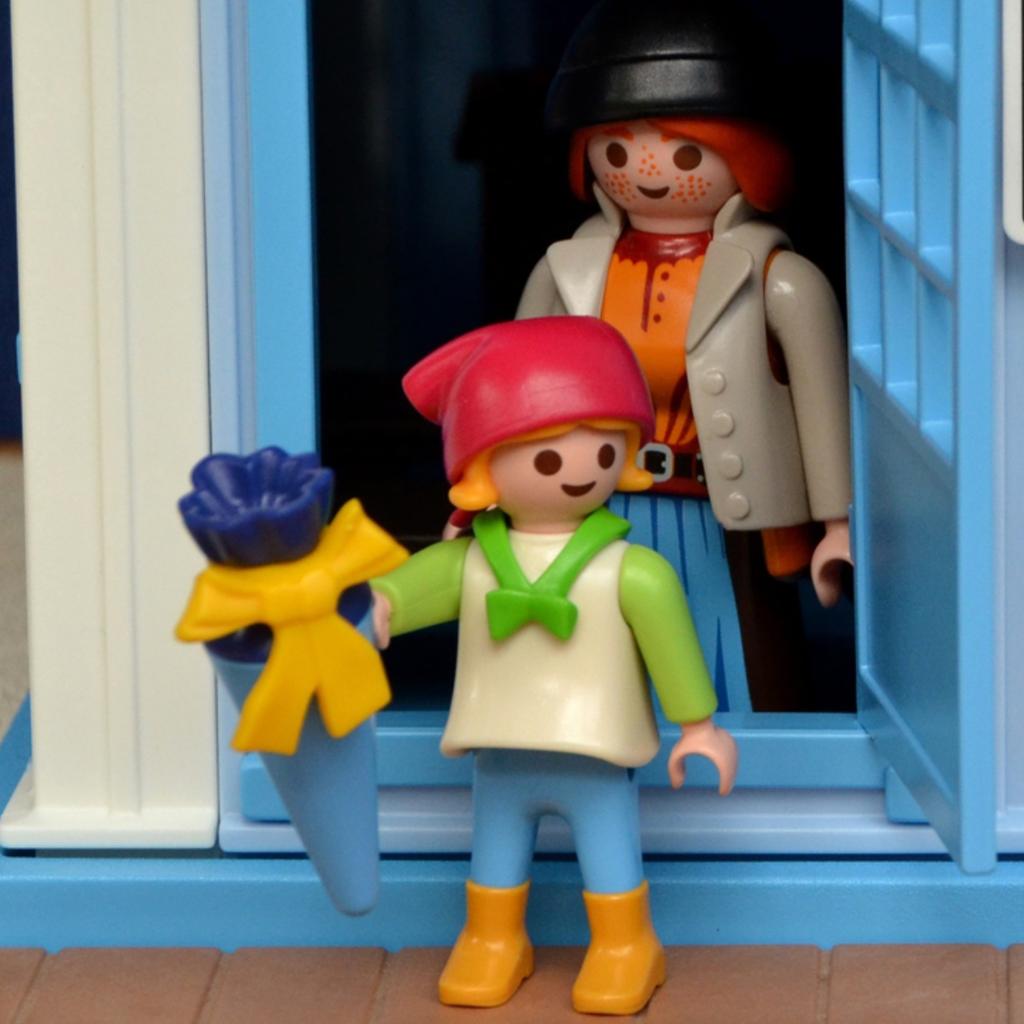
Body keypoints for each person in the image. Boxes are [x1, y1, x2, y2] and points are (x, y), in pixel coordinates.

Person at [371, 316, 737, 1015]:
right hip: (501, 747)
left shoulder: (633, 571)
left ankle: (627, 945)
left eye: (603, 452)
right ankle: (492, 938)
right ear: (482, 469)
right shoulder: (470, 562)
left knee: (608, 849)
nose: (579, 471)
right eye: (546, 459)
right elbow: (407, 589)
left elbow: (672, 647)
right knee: (494, 848)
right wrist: (380, 605)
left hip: (595, 750)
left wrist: (699, 725)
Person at [517, 0, 852, 711]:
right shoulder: (567, 271)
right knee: (597, 653)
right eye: (616, 151)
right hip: (595, 505)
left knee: (737, 657)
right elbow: (516, 394)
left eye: (686, 154)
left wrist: (838, 526)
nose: (648, 172)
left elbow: (822, 406)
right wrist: (490, 489)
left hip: (723, 515)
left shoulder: (777, 279)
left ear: (747, 153)